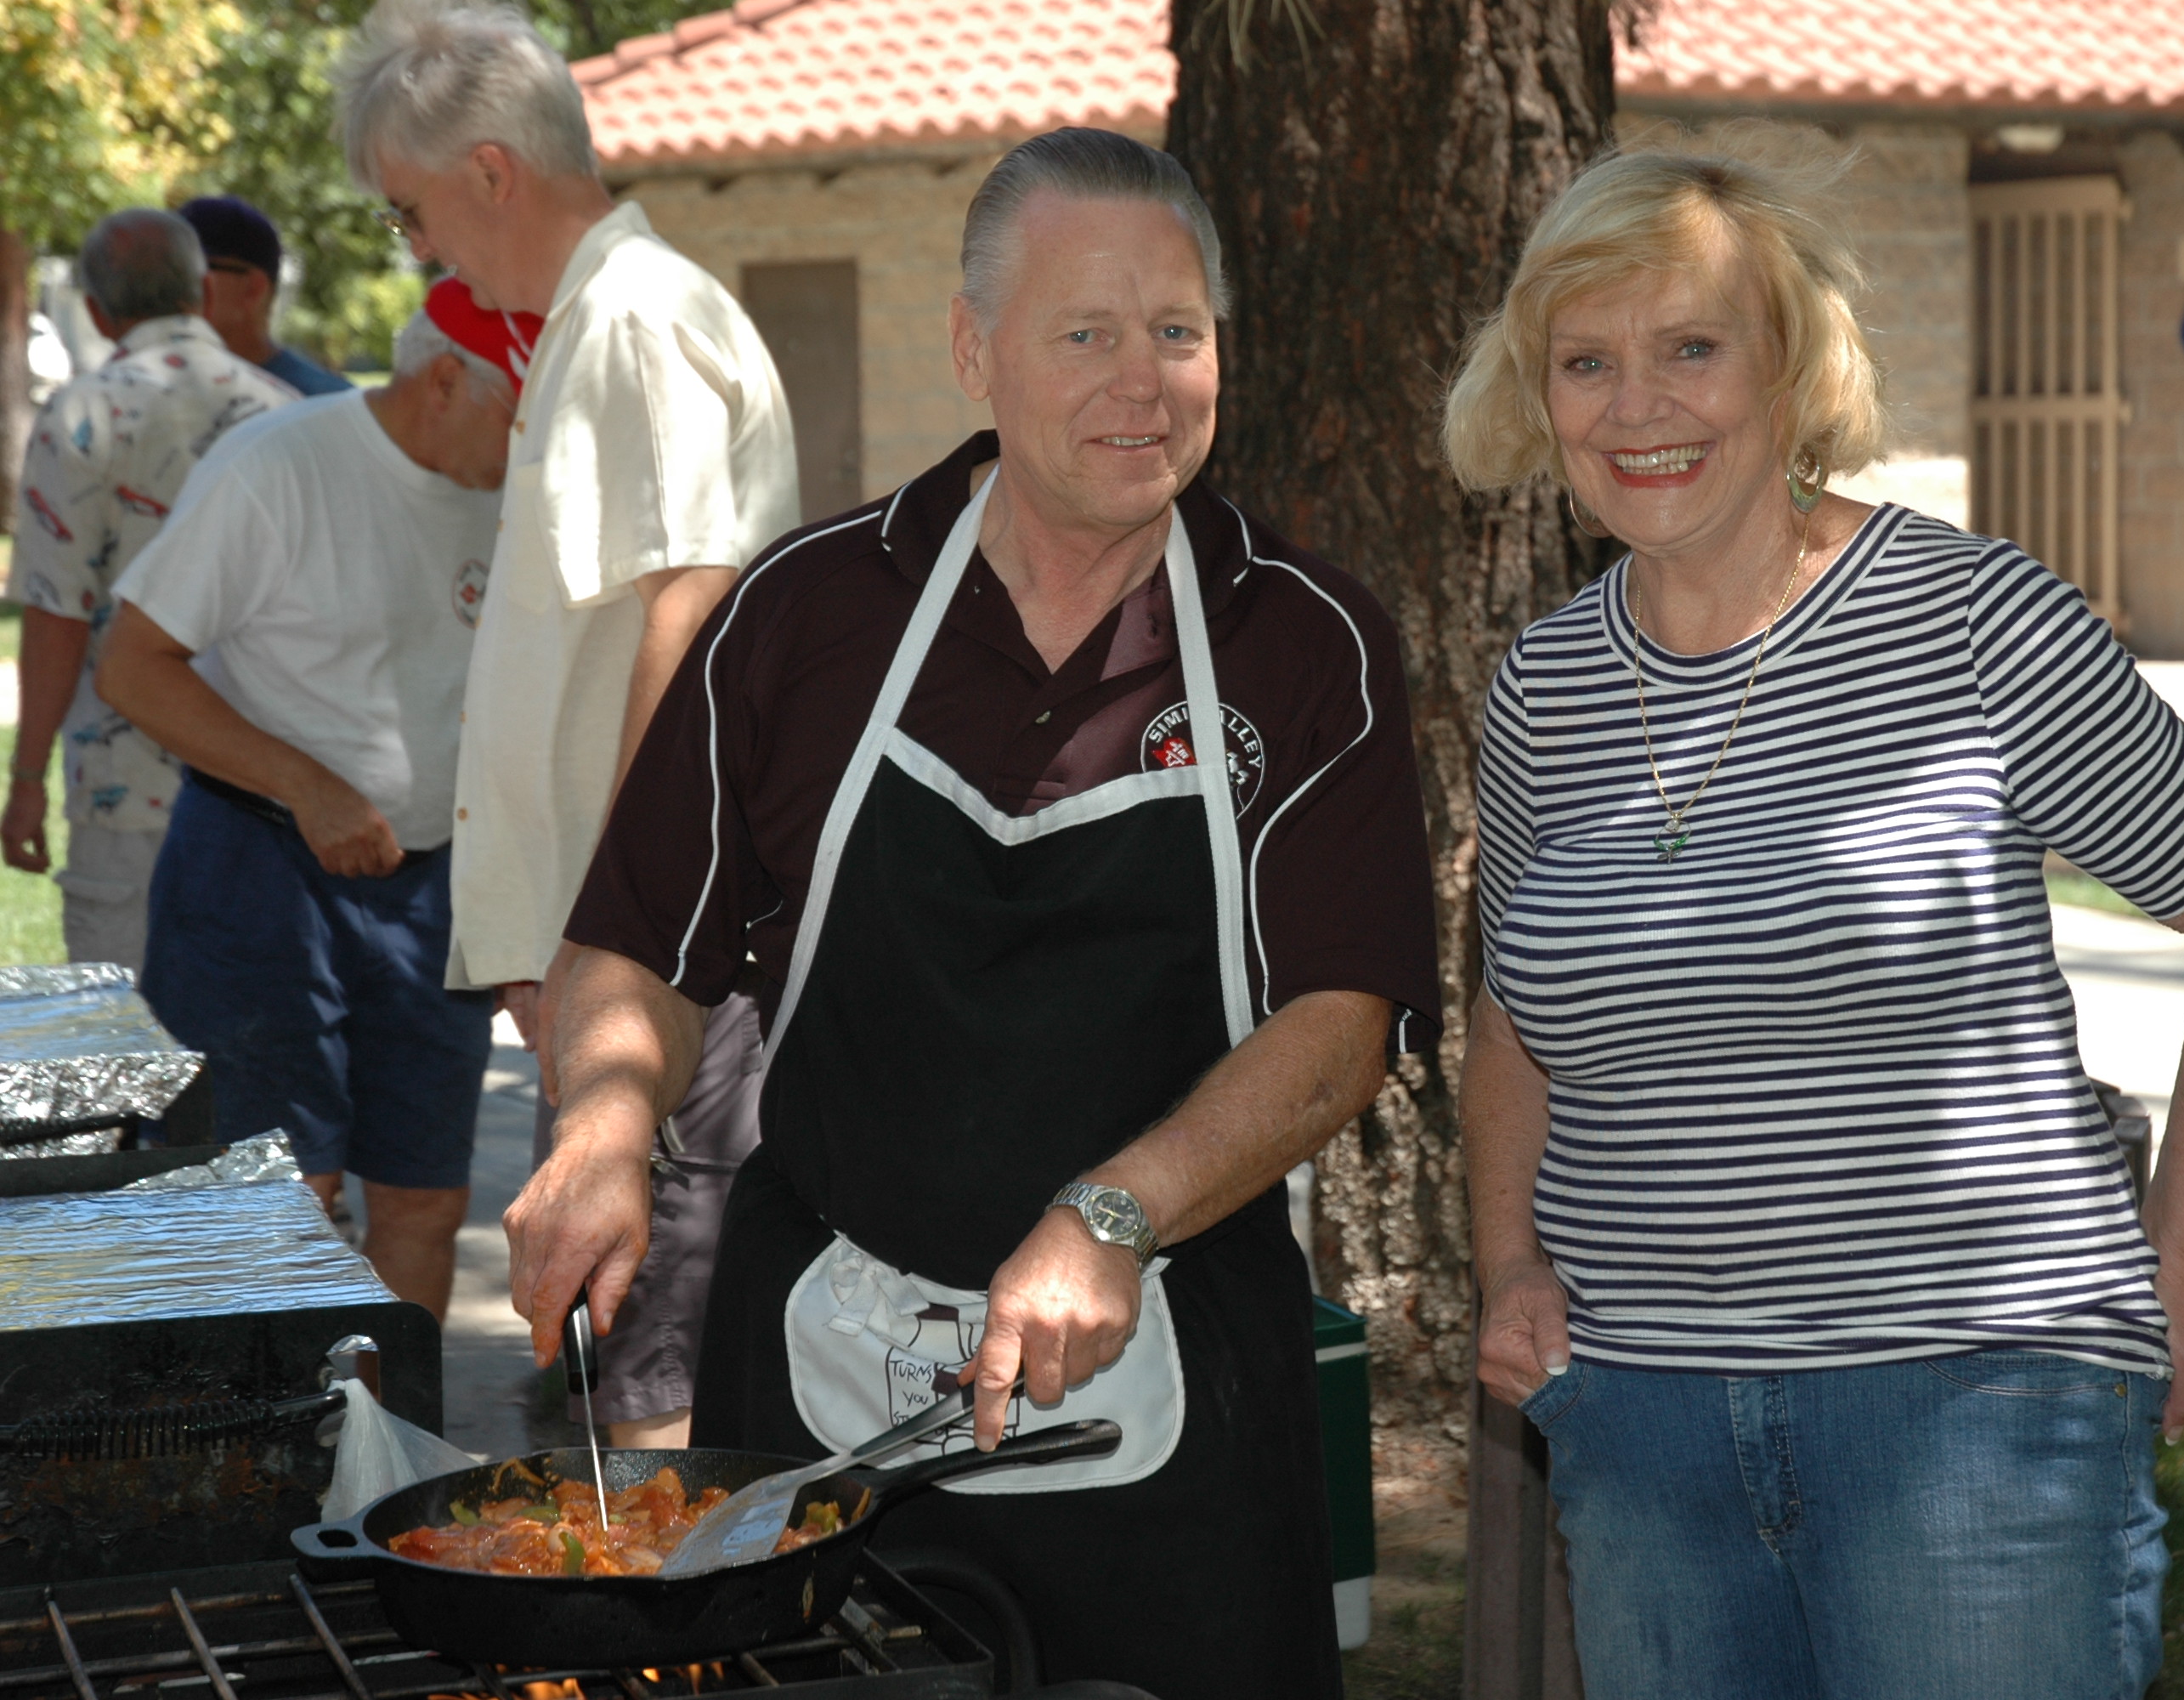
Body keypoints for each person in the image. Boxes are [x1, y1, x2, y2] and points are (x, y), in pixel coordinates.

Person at [505, 127, 1439, 1696]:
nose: (1142, 381)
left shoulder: (1305, 641)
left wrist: (1112, 1212)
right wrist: (600, 1131)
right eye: (1085, 333)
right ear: (972, 350)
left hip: (1173, 1386)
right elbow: (637, 941)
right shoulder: (807, 615)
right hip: (814, 1384)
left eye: (1177, 332)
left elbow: (1339, 1027)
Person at [1444, 139, 2184, 1700]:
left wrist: (2175, 1253)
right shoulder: (1544, 694)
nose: (1634, 405)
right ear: (1539, 400)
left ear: (1786, 364)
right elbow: (1518, 1020)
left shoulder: (1974, 623)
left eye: (1689, 349)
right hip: (1644, 1426)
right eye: (1584, 362)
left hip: (1975, 1417)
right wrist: (1508, 1265)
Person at [332, 0, 795, 1446]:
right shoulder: (601, 315)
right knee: (620, 1360)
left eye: (411, 211)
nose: (420, 250)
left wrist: (618, 922)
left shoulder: (631, 315)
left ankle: (659, 1652)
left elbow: (691, 602)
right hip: (617, 966)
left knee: (647, 1377)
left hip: (646, 973)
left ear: (486, 170)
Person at [95, 280, 535, 1321]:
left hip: (433, 891)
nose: (533, 444)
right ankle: (275, 1472)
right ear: (442, 381)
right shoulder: (280, 464)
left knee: (427, 1200)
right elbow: (133, 665)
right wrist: (304, 784)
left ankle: (396, 1460)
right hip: (259, 876)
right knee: (279, 1203)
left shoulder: (510, 489)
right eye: (521, 415)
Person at [5, 210, 300, 968]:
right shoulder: (290, 415)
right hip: (267, 784)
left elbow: (55, 617)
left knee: (132, 1060)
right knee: (254, 1055)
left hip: (124, 796)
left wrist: (28, 779)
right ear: (203, 290)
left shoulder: (80, 416)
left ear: (98, 313)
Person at [177, 196, 356, 397]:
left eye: (189, 269)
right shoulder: (151, 391)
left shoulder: (321, 403)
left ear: (253, 288)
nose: (172, 283)